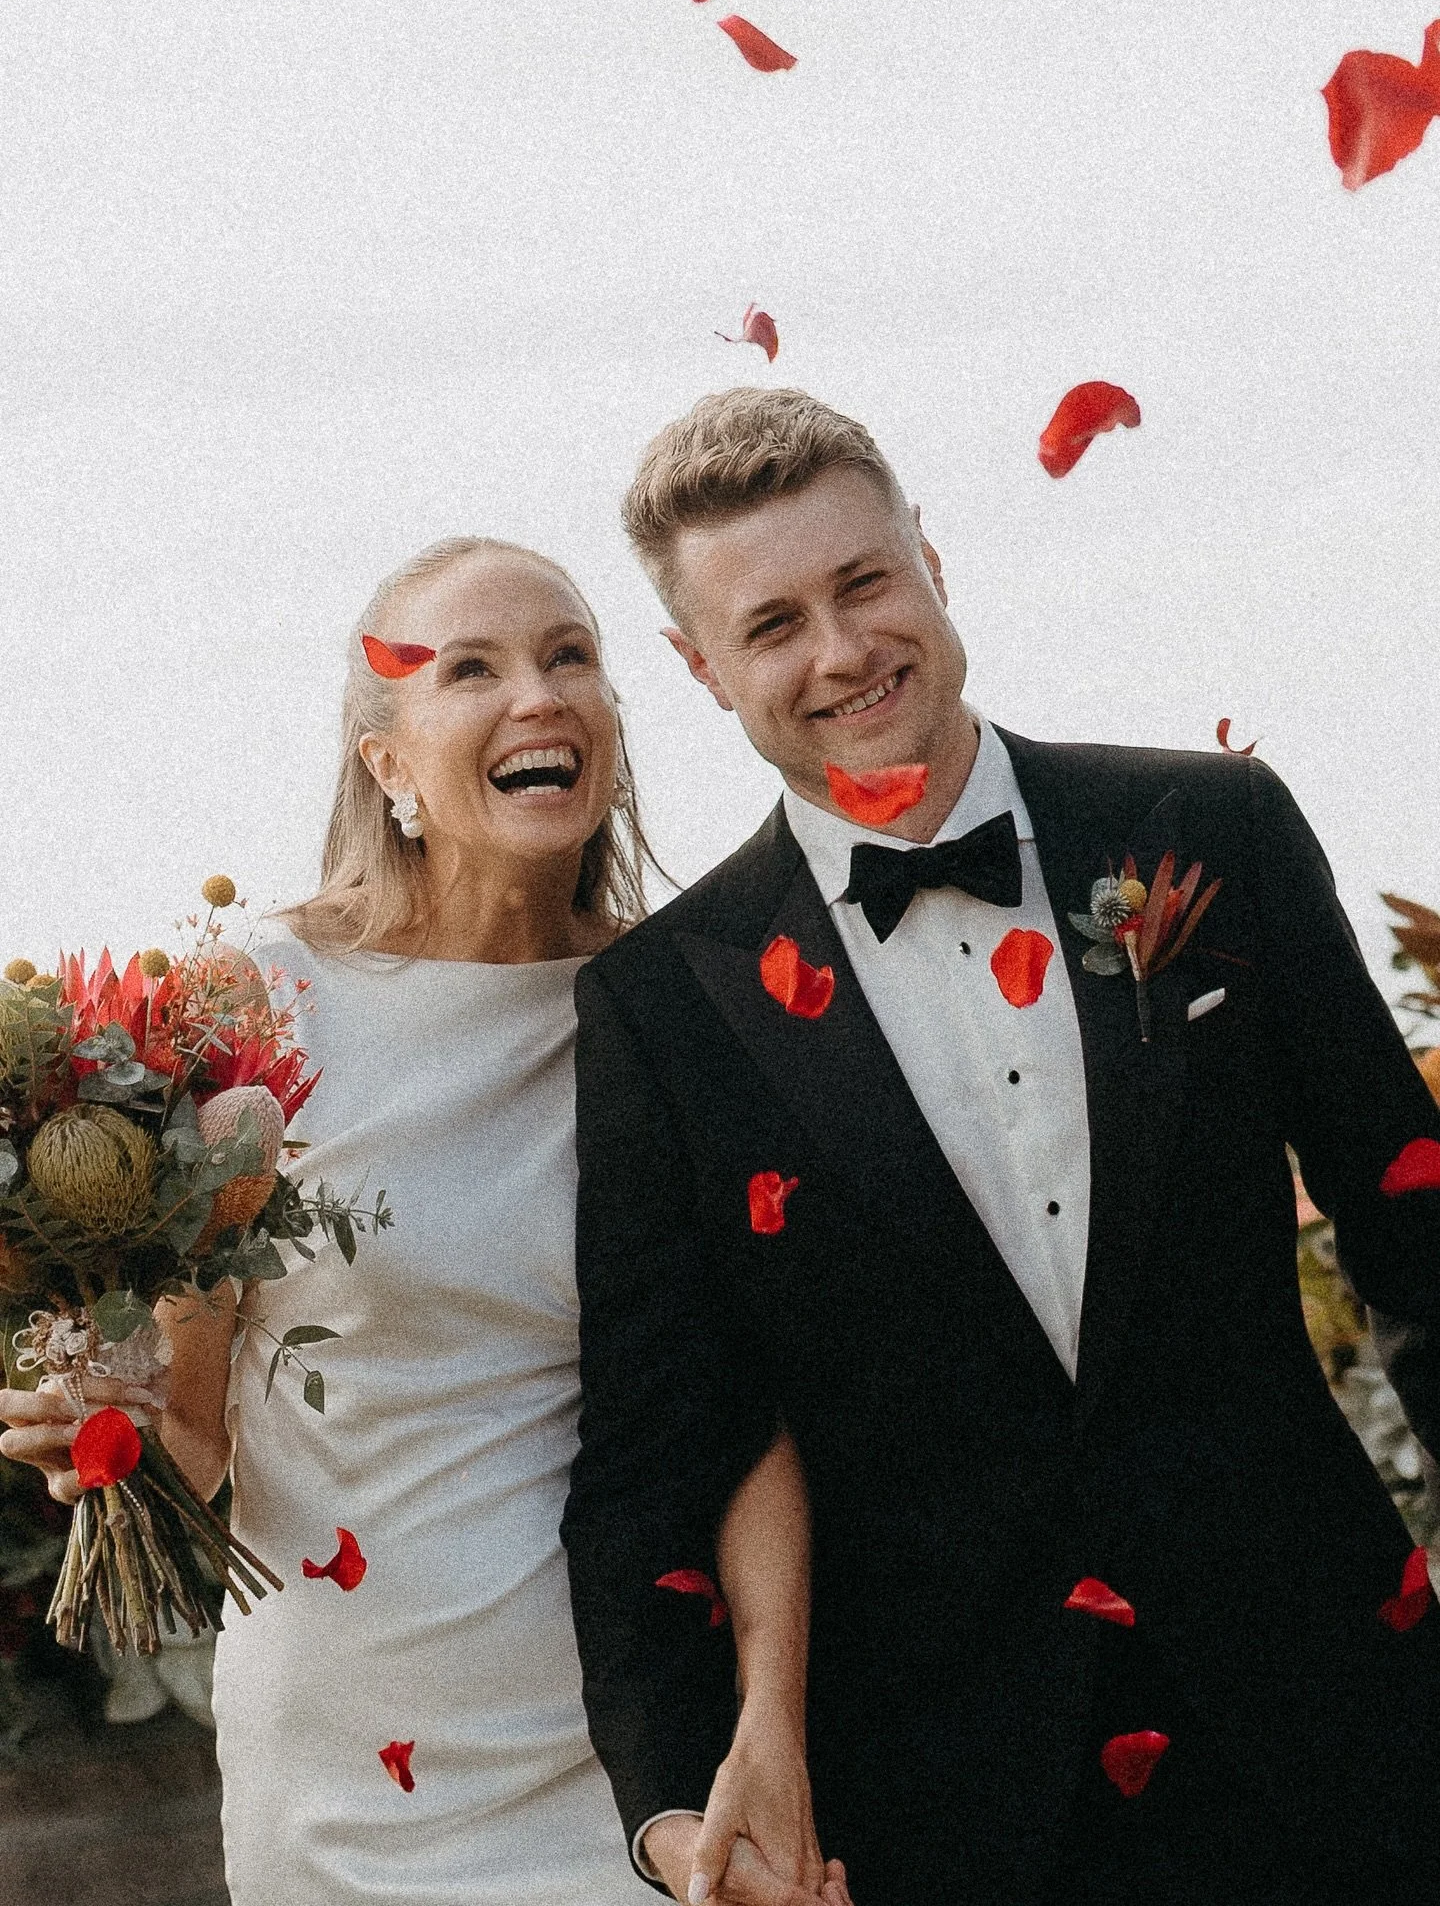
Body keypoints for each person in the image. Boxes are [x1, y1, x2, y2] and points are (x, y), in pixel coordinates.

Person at [561, 389, 1440, 1906]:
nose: (840, 652)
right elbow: (658, 1442)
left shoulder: (1207, 826)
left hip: (1340, 1721)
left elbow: (1413, 1228)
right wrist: (672, 1813)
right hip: (951, 1807)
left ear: (933, 560)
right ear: (701, 670)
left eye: (863, 583)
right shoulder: (664, 1006)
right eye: (771, 625)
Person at [0, 537, 846, 1906]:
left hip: (627, 1754)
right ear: (386, 763)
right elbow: (207, 1432)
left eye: (572, 656)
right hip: (338, 1770)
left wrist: (768, 1723)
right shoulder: (255, 1008)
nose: (542, 695)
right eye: (473, 669)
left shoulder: (695, 1013)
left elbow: (749, 1421)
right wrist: (104, 1422)